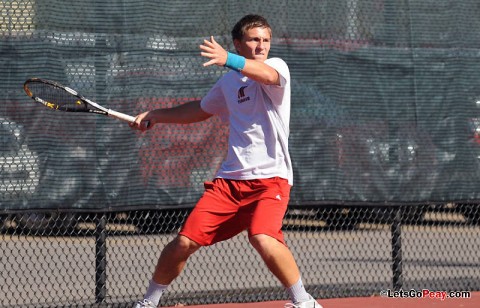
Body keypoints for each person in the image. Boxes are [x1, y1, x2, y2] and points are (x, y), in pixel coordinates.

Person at [131, 14, 322, 308]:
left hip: (271, 179)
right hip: (229, 183)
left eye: (266, 40)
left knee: (262, 236)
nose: (261, 46)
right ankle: (148, 303)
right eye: (254, 40)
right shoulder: (229, 84)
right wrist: (157, 115)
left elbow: (267, 76)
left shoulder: (276, 67)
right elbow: (199, 109)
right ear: (238, 42)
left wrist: (228, 58)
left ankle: (304, 302)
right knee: (183, 242)